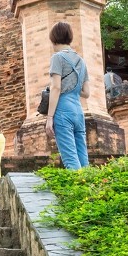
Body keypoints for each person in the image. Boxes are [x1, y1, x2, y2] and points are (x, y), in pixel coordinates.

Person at [41, 21, 90, 170]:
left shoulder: (58, 58)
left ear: (53, 38)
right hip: (78, 110)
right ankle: (91, 188)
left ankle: (78, 192)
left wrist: (49, 118)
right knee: (83, 157)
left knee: (70, 159)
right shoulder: (82, 61)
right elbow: (86, 93)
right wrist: (70, 88)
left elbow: (56, 87)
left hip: (62, 110)